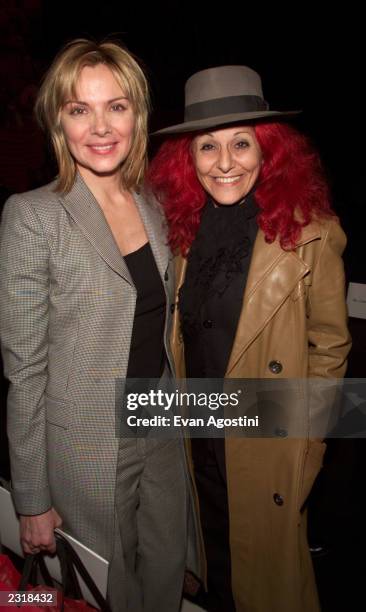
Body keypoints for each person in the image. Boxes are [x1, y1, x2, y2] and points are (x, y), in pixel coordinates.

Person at [0, 39, 197, 612]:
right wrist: (32, 498)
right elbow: (26, 371)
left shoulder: (153, 202)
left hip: (160, 419)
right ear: (58, 121)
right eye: (79, 109)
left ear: (137, 113)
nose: (100, 126)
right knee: (109, 591)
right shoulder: (34, 215)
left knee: (164, 567)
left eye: (116, 106)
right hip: (86, 441)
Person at [148, 65, 351, 612]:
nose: (225, 163)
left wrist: (306, 447)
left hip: (265, 438)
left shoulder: (313, 231)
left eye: (241, 143)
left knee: (264, 585)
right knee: (210, 573)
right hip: (194, 432)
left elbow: (330, 348)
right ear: (187, 159)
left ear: (269, 151)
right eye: (207, 146)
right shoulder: (178, 232)